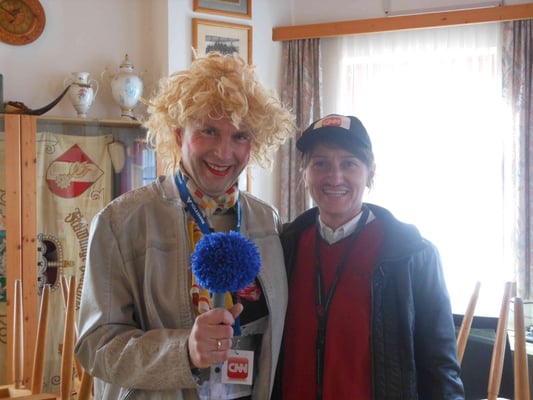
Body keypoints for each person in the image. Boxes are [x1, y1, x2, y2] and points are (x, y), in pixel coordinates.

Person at [74, 52, 295, 400]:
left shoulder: (267, 221)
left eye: (240, 136)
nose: (224, 152)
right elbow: (96, 346)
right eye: (209, 131)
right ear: (178, 134)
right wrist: (183, 351)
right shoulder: (121, 222)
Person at [276, 114, 464, 399]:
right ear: (305, 175)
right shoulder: (284, 246)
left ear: (370, 173)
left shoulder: (413, 254)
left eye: (349, 164)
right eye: (320, 164)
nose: (334, 177)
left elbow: (441, 369)